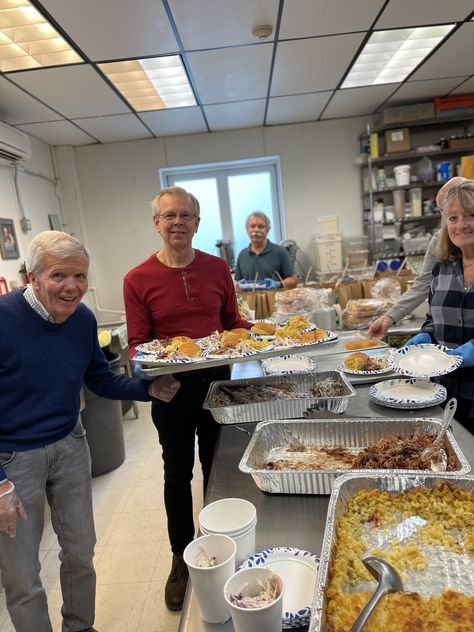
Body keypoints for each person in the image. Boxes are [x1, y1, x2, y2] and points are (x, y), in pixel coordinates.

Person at [0, 230, 162, 632]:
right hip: (13, 460)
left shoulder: (82, 319)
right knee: (22, 574)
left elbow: (100, 378)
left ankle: (80, 627)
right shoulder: (2, 319)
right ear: (32, 278)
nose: (72, 287)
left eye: (80, 276)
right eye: (58, 276)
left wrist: (151, 389)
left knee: (80, 551)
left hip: (71, 446)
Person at [123, 186, 252, 611]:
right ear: (156, 224)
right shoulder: (137, 279)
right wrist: (151, 377)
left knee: (220, 470)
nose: (177, 222)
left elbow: (232, 322)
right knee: (177, 476)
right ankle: (181, 558)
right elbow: (139, 344)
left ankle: (224, 547)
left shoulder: (217, 269)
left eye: (186, 215)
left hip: (220, 386)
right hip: (172, 390)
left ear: (197, 223)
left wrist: (275, 334)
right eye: (169, 216)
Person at [404, 181, 474, 426]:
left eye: (470, 216)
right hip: (445, 393)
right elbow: (434, 320)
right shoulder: (442, 270)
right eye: (453, 218)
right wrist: (426, 336)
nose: (461, 225)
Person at [368, 177, 468, 339]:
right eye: (446, 214)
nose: (460, 224)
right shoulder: (440, 245)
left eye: (468, 214)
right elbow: (425, 287)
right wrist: (390, 317)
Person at [234, 211, 298, 289]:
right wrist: (236, 286)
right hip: (250, 300)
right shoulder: (242, 255)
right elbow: (238, 284)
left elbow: (294, 280)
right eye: (252, 226)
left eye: (260, 226)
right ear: (247, 229)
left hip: (274, 300)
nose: (256, 230)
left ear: (267, 230)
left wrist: (279, 284)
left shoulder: (280, 252)